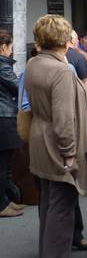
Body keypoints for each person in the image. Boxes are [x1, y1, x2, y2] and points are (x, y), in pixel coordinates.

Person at [24, 15, 87, 258]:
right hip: (57, 143)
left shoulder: (33, 63)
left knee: (49, 205)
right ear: (65, 41)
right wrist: (70, 154)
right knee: (62, 210)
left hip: (39, 139)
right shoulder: (60, 70)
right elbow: (64, 119)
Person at [0, 29, 23, 218]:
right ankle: (2, 205)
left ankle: (6, 200)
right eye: (10, 47)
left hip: (3, 115)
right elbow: (18, 87)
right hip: (4, 117)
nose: (11, 51)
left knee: (5, 164)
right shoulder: (2, 66)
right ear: (3, 47)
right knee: (3, 163)